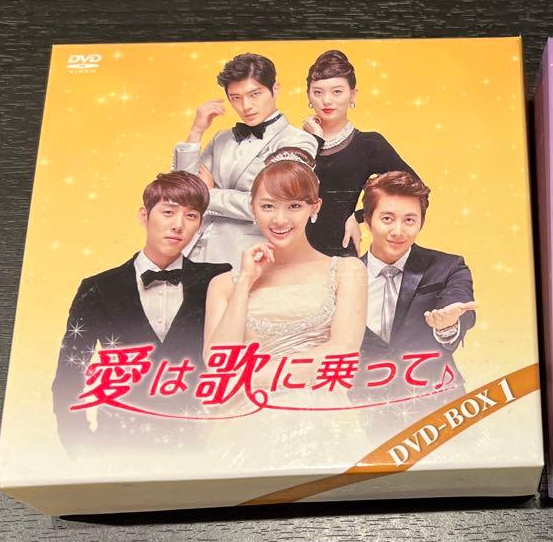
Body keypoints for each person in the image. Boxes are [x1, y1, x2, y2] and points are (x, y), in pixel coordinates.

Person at [52, 171, 231, 452]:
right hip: (118, 447)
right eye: (168, 212)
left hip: (199, 447)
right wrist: (81, 450)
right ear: (144, 216)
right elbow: (69, 375)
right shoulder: (98, 288)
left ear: (200, 224)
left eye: (191, 216)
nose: (178, 225)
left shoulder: (217, 280)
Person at [203, 149, 367, 378]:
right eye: (268, 206)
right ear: (252, 208)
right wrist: (244, 283)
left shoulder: (347, 271)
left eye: (294, 206)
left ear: (315, 207)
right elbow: (217, 364)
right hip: (246, 401)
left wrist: (246, 378)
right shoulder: (223, 285)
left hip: (317, 401)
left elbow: (343, 350)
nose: (280, 220)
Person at [174, 52, 317, 266]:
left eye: (254, 94)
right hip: (193, 251)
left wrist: (206, 195)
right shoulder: (221, 138)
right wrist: (196, 131)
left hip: (247, 256)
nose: (246, 106)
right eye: (236, 98)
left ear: (275, 89)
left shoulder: (298, 140)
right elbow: (180, 193)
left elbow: (276, 204)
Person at [358, 170, 476, 392]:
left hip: (435, 399)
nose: (398, 231)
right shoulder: (342, 275)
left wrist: (447, 324)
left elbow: (459, 303)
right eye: (387, 219)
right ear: (367, 220)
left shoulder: (448, 267)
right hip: (360, 400)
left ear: (421, 223)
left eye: (409, 220)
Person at [300, 49, 418, 257]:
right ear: (308, 94)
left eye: (337, 92)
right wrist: (315, 139)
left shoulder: (369, 144)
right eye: (318, 92)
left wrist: (360, 216)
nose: (326, 101)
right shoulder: (293, 142)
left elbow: (415, 189)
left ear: (353, 94)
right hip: (292, 250)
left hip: (339, 250)